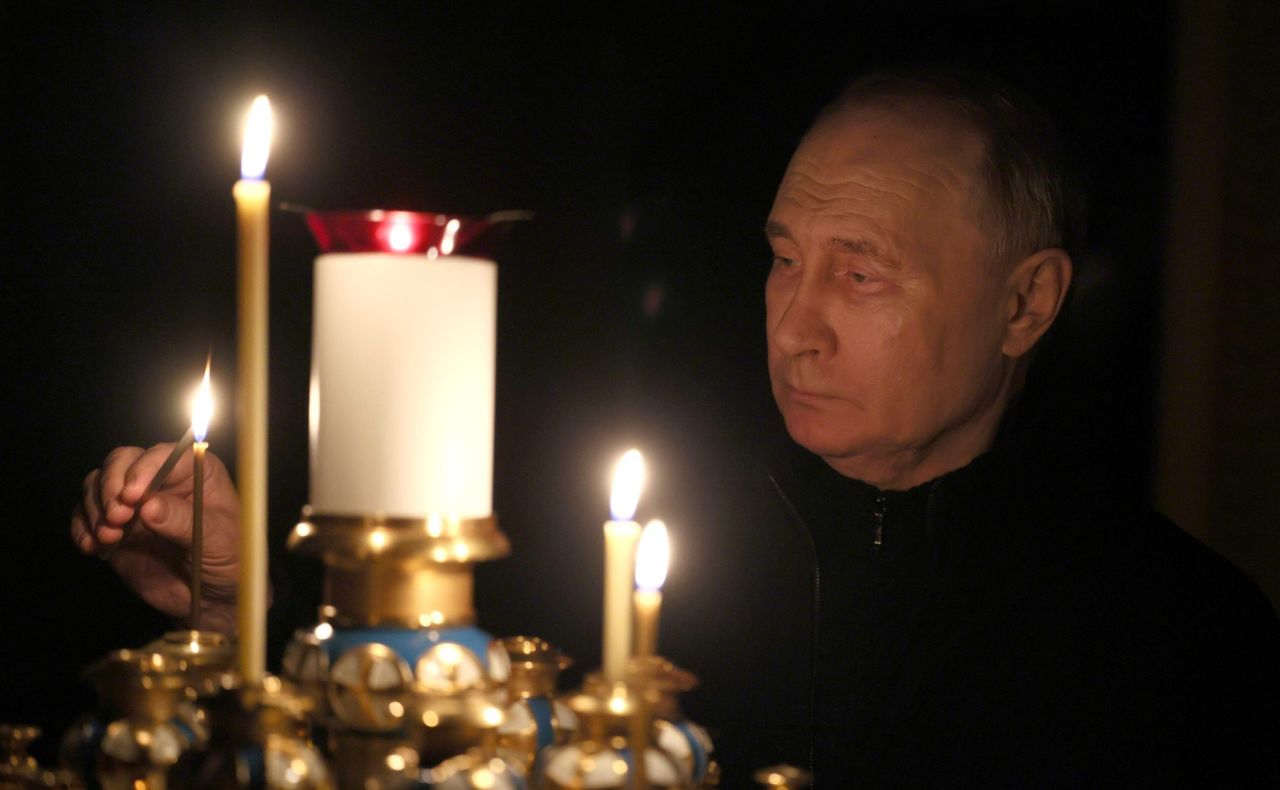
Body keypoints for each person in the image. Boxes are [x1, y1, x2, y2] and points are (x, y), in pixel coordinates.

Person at [72, 66, 1279, 785]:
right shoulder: (612, 555)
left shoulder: (1177, 644)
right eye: (782, 259)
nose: (793, 326)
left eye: (859, 275)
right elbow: (397, 744)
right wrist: (233, 616)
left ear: (1025, 302)